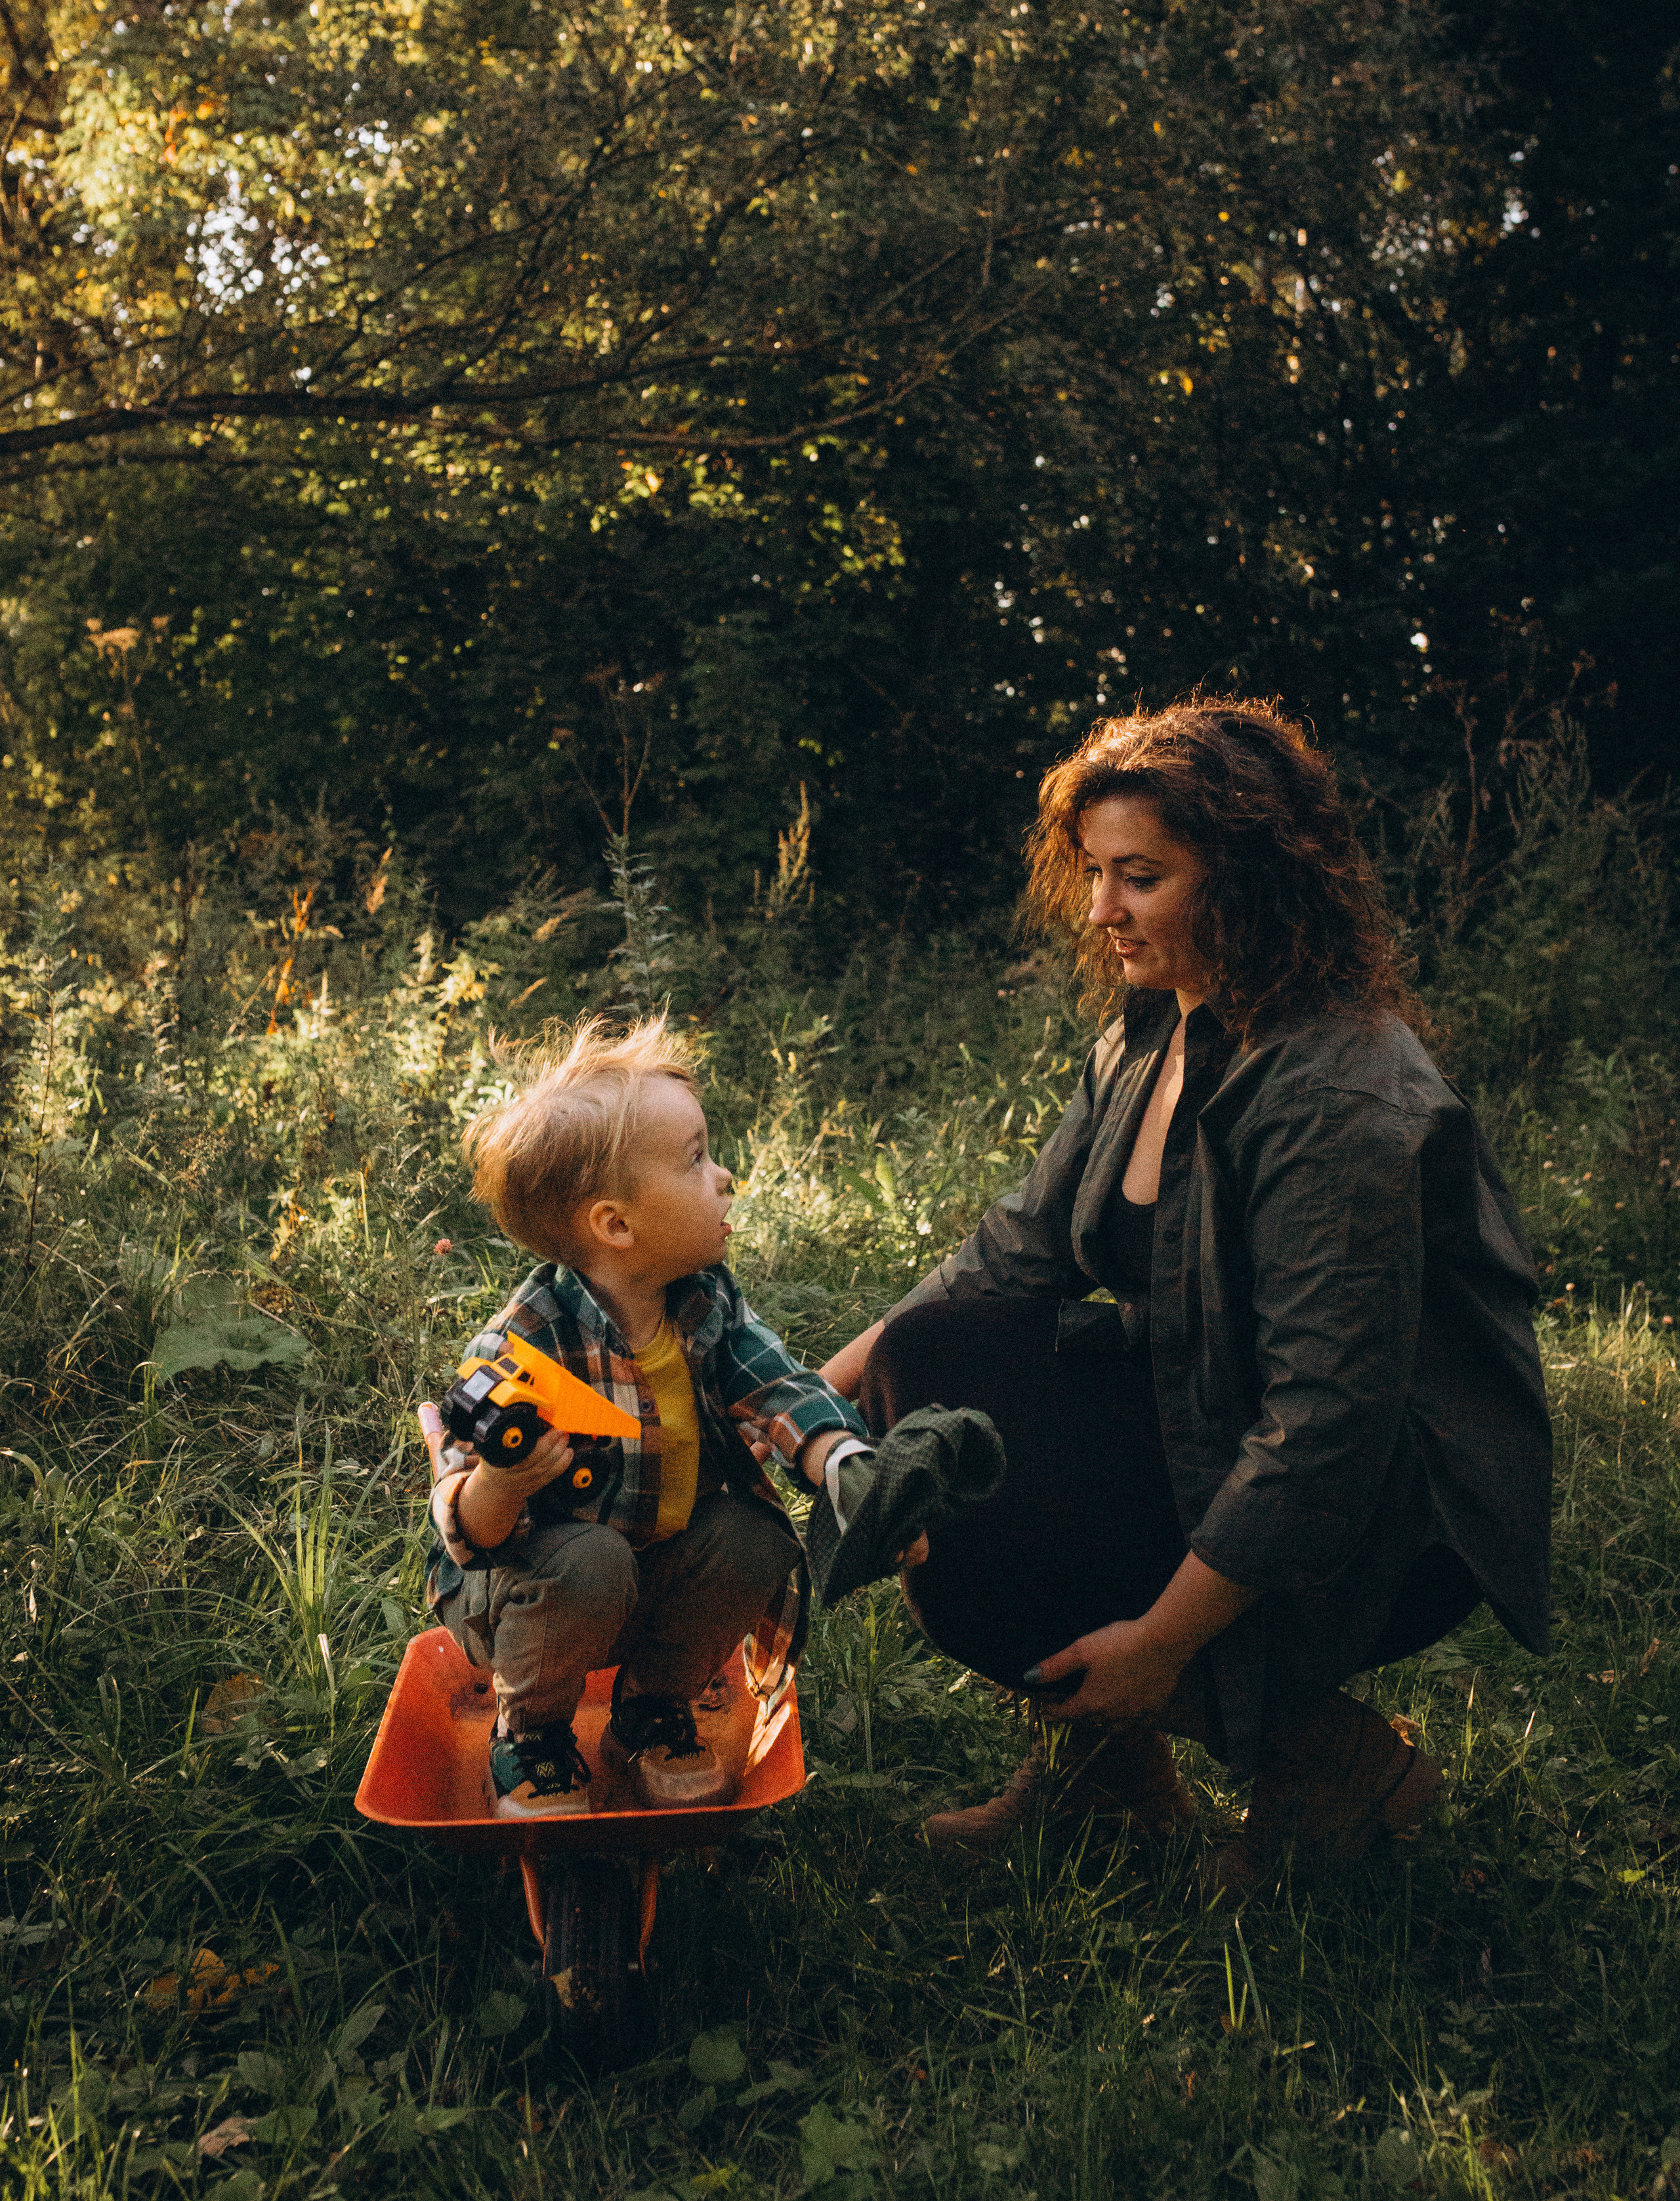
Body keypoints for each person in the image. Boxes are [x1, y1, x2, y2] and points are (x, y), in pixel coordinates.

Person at [820, 698, 1551, 1876]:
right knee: (938, 1381)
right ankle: (1108, 1783)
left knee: (982, 1559)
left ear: (1251, 879)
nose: (1103, 910)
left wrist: (1160, 1646)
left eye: (1142, 877)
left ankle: (1334, 1764)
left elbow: (1327, 1426)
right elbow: (1013, 1252)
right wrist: (794, 1402)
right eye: (1097, 873)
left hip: (1380, 1514)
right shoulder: (1154, 1028)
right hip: (1209, 1413)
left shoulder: (1341, 1096)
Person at [424, 1014, 872, 1818]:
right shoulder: (524, 1343)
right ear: (617, 1225)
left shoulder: (706, 1304)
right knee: (590, 1557)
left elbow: (779, 1384)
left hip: (657, 1574)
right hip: (528, 1594)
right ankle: (529, 1733)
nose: (725, 1175)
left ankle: (650, 1706)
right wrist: (503, 1480)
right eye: (697, 1159)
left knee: (754, 1536)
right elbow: (464, 1523)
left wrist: (837, 1454)